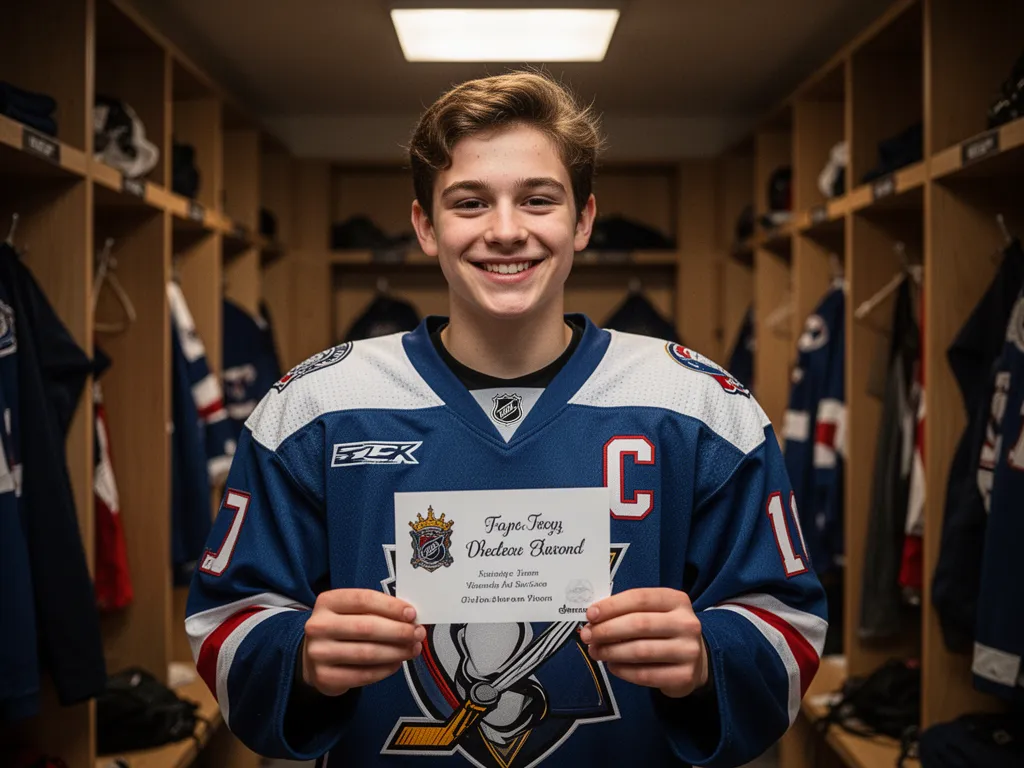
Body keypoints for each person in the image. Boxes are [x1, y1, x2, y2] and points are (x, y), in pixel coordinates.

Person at [186, 71, 827, 767]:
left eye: (537, 199)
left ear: (583, 220)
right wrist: (301, 655)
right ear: (425, 226)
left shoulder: (701, 406)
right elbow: (225, 619)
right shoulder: (315, 406)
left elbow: (788, 624)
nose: (505, 231)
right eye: (469, 202)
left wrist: (707, 656)